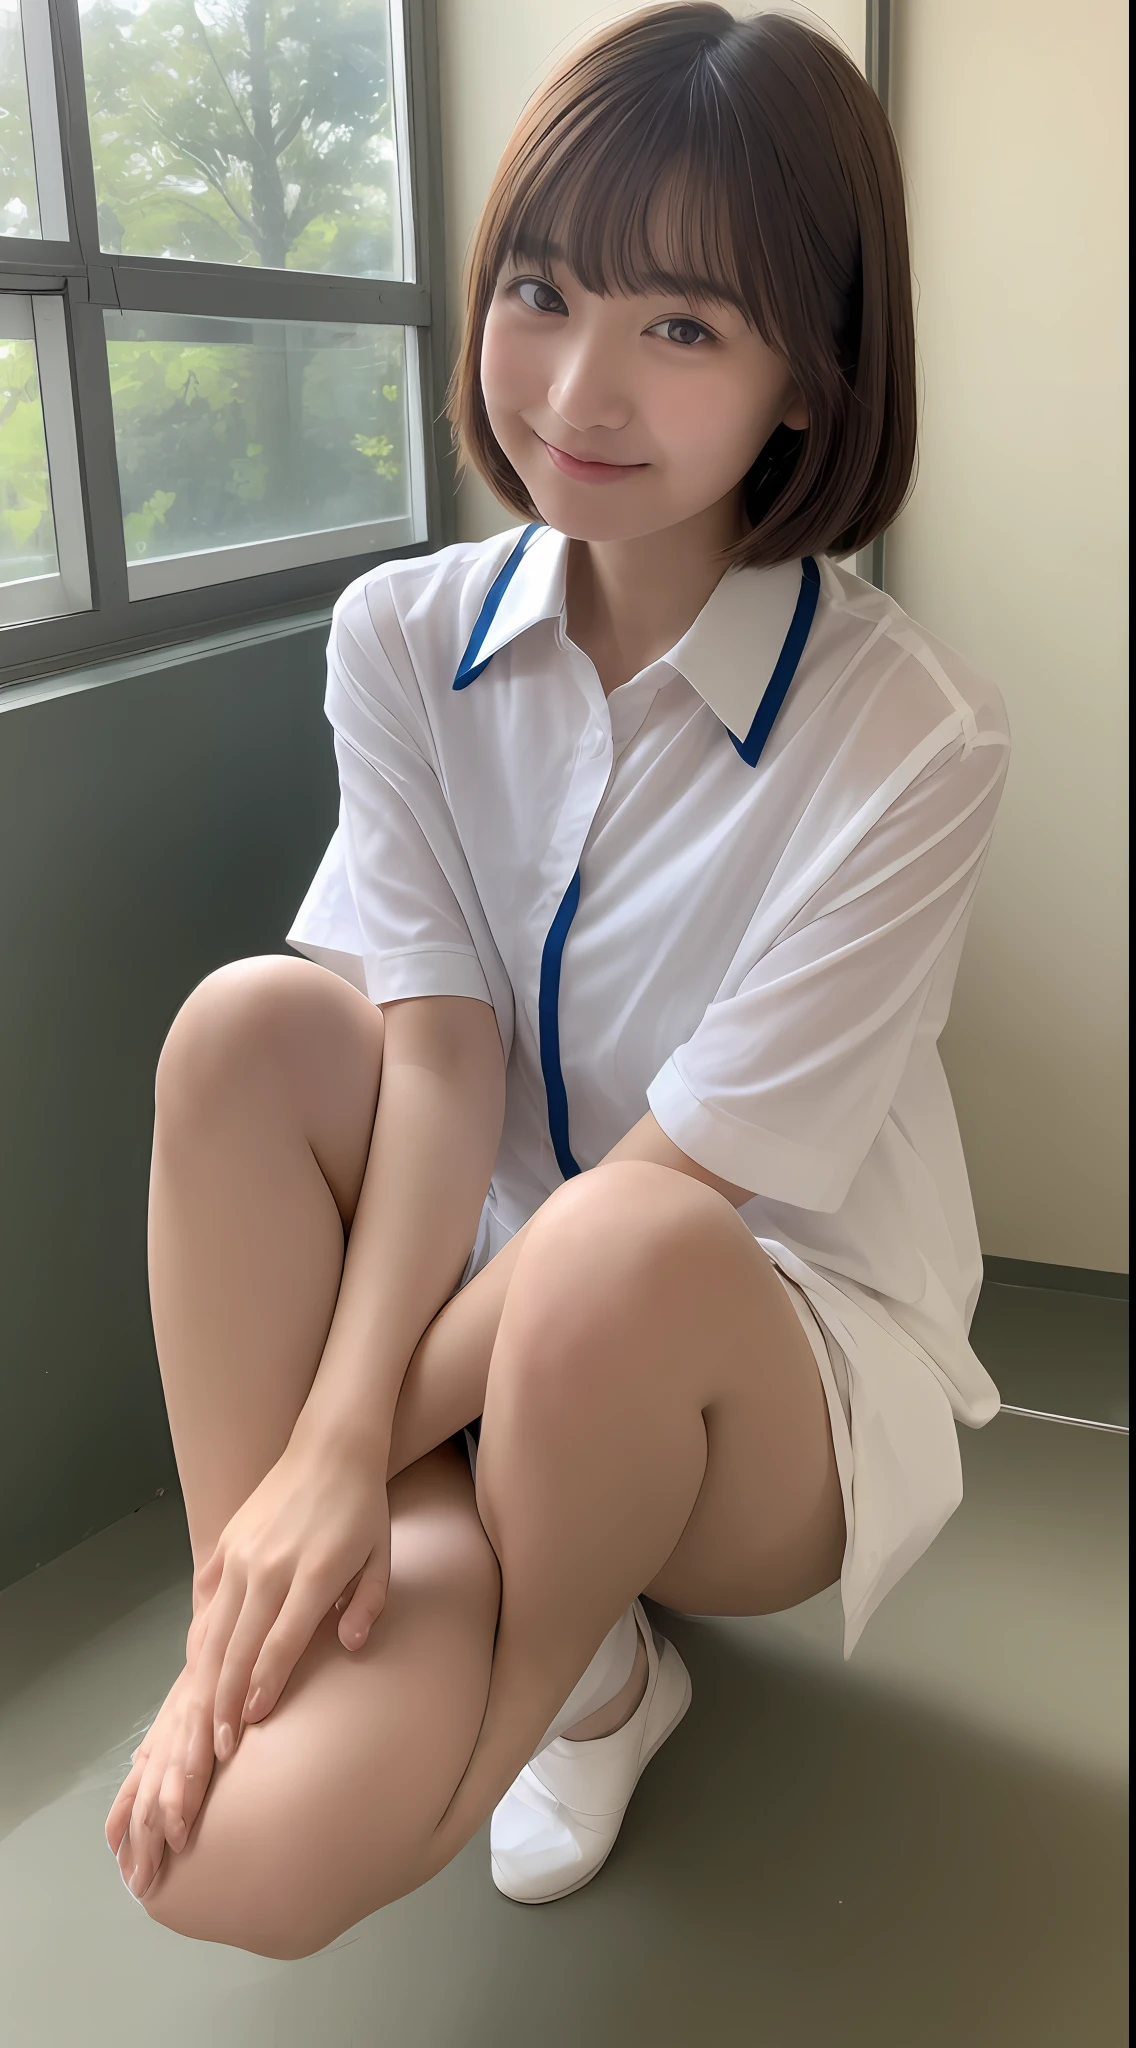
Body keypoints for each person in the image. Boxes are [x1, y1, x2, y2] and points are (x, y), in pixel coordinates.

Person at [105, 4, 1009, 1957]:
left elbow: (681, 1198)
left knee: (615, 1248)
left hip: (752, 1367)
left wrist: (358, 1442)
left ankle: (538, 1684)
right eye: (540, 289)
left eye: (682, 326)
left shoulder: (913, 740)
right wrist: (323, 1468)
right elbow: (431, 1062)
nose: (578, 386)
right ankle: (283, 1613)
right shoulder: (400, 632)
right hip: (481, 1295)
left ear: (805, 377)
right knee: (250, 1024)